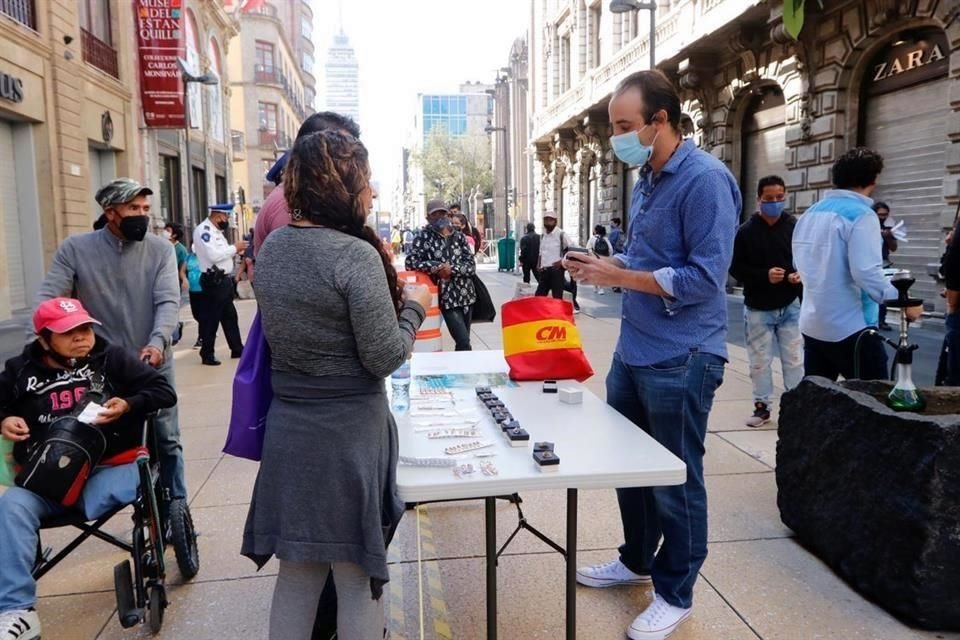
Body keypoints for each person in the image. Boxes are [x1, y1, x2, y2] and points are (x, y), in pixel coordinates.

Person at [564, 70, 738, 640]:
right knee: (631, 471)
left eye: (625, 126)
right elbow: (643, 262)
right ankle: (636, 558)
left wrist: (623, 276)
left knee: (676, 478)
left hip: (682, 356)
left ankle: (675, 590)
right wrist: (606, 269)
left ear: (661, 120)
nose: (617, 137)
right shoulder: (647, 179)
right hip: (635, 350)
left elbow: (705, 279)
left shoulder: (705, 181)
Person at [242, 130, 431, 640]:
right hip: (349, 433)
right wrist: (414, 306)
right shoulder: (353, 255)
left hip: (291, 428)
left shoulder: (275, 247)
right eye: (364, 181)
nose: (370, 193)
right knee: (355, 578)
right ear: (341, 182)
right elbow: (384, 355)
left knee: (297, 575)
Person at [0, 298, 176, 640]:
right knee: (10, 507)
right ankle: (17, 612)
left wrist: (127, 404)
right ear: (43, 338)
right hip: (46, 480)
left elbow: (162, 391)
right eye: (68, 332)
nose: (82, 337)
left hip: (109, 470)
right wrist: (5, 418)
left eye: (85, 328)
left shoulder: (112, 358)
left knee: (140, 480)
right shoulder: (20, 369)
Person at [34, 178, 187, 508]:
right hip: (102, 364)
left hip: (152, 359)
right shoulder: (75, 249)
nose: (142, 215)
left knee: (166, 437)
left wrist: (158, 342)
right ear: (110, 212)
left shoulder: (161, 250)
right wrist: (48, 336)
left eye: (146, 209)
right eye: (134, 208)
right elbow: (50, 298)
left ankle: (176, 508)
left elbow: (167, 302)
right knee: (100, 436)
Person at [793, 148, 922, 381]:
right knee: (873, 402)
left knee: (818, 403)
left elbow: (799, 262)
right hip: (852, 328)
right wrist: (904, 300)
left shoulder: (809, 214)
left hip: (813, 325)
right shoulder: (862, 215)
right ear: (873, 180)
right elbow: (866, 272)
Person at [729, 175, 803, 428]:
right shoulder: (746, 232)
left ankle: (796, 408)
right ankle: (762, 408)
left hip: (790, 304)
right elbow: (736, 268)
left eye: (780, 198)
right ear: (759, 199)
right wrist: (764, 275)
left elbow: (806, 260)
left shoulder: (794, 227)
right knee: (759, 362)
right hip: (758, 306)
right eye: (769, 199)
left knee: (794, 360)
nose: (775, 203)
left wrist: (798, 277)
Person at [254, 112, 362, 258]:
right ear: (313, 150)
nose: (352, 163)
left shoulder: (303, 199)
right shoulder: (289, 204)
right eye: (342, 152)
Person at [406, 200, 477, 351]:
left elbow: (471, 266)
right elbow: (411, 262)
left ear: (448, 215)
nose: (440, 217)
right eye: (435, 214)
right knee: (463, 341)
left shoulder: (459, 237)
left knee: (464, 341)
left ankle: (462, 371)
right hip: (446, 297)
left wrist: (452, 269)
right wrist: (436, 267)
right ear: (428, 218)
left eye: (443, 213)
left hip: (466, 295)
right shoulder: (423, 237)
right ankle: (464, 370)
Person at [192, 203, 247, 366]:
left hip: (223, 280)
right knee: (212, 318)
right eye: (226, 217)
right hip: (214, 280)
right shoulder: (205, 231)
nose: (227, 220)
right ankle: (207, 352)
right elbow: (214, 255)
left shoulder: (216, 231)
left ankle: (237, 348)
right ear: (218, 216)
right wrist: (234, 248)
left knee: (230, 316)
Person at [535, 212, 574, 301]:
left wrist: (562, 262)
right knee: (539, 296)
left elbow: (572, 249)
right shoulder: (542, 235)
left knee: (557, 297)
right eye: (546, 220)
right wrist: (539, 264)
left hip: (556, 270)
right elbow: (541, 251)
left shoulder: (561, 234)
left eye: (550, 220)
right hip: (544, 271)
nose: (548, 222)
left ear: (555, 222)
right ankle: (540, 314)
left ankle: (557, 314)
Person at [873, 201, 899, 331]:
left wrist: (888, 237)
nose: (883, 217)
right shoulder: (866, 227)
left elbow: (894, 248)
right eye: (880, 214)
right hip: (870, 263)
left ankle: (881, 320)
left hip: (883, 262)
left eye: (885, 215)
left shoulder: (888, 228)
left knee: (883, 292)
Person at [163, 221, 189, 345]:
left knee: (172, 308)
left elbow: (183, 268)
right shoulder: (163, 246)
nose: (165, 232)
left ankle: (174, 335)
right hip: (163, 281)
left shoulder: (181, 250)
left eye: (168, 230)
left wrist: (183, 279)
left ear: (174, 235)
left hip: (174, 283)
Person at [586, 224, 612, 295]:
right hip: (603, 259)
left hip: (594, 258)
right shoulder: (605, 238)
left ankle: (596, 287)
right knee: (601, 273)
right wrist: (609, 258)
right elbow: (610, 249)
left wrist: (592, 256)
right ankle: (601, 288)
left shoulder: (592, 238)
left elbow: (588, 249)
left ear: (596, 231)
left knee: (594, 272)